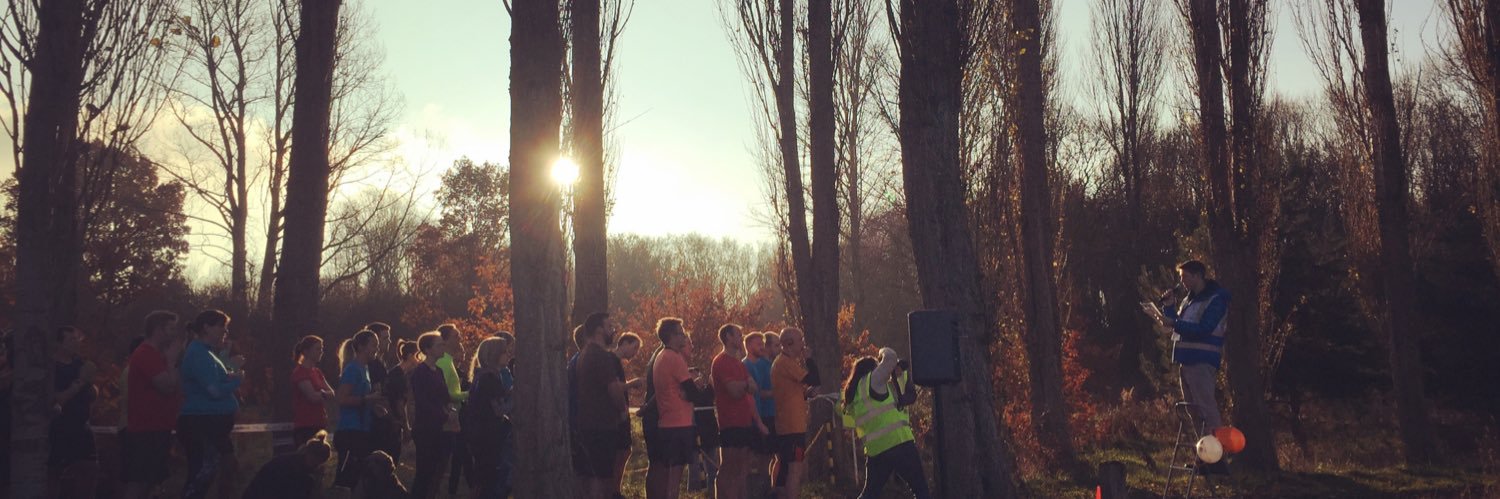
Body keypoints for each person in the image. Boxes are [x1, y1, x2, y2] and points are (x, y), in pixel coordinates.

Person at [1157, 260, 1230, 472]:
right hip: (1186, 359)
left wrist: (1175, 322)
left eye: (1185, 277)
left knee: (1207, 409)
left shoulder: (1216, 299)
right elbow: (1179, 327)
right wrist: (1169, 308)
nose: (1183, 283)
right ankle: (1206, 457)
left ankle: (1219, 460)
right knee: (1194, 411)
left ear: (1198, 275)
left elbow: (1204, 328)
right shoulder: (1189, 301)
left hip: (1202, 359)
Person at [842, 349, 929, 499]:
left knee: (870, 494)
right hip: (899, 443)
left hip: (876, 451)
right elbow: (890, 357)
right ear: (872, 369)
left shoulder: (855, 395)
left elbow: (901, 398)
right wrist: (881, 354)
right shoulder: (872, 380)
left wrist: (900, 373)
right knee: (920, 491)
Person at [178, 309, 244, 499]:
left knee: (226, 467)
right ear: (206, 327)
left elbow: (218, 381)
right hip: (201, 425)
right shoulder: (198, 353)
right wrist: (238, 380)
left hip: (214, 425)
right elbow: (214, 390)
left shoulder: (210, 354)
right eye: (221, 327)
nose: (225, 331)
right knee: (201, 474)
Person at [644, 318, 709, 499]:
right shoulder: (675, 358)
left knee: (669, 478)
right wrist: (706, 386)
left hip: (666, 424)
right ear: (672, 336)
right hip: (679, 424)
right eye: (681, 333)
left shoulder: (660, 357)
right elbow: (694, 395)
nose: (684, 336)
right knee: (674, 482)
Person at [122, 311, 183, 499]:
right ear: (158, 330)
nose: (175, 333)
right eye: (171, 328)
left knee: (151, 483)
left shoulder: (158, 355)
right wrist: (172, 362)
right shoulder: (145, 354)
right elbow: (167, 387)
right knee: (139, 481)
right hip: (144, 429)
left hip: (159, 427)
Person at [574, 313, 629, 499]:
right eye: (610, 327)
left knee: (590, 477)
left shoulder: (584, 355)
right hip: (602, 426)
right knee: (602, 478)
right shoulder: (601, 356)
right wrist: (623, 411)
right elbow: (613, 389)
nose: (613, 331)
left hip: (587, 425)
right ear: (599, 330)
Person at [712, 324, 768, 499]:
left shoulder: (738, 363)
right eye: (738, 334)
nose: (741, 337)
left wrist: (744, 385)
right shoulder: (721, 361)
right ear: (728, 336)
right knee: (729, 466)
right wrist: (745, 385)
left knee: (743, 467)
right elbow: (734, 391)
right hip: (730, 421)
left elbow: (754, 388)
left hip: (745, 421)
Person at [48, 326, 99, 498]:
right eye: (70, 339)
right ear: (59, 343)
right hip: (60, 428)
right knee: (53, 475)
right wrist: (79, 383)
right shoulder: (52, 367)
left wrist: (91, 385)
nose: (76, 343)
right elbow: (57, 400)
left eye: (76, 339)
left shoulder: (80, 363)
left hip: (81, 426)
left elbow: (92, 394)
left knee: (90, 469)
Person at [771, 327, 821, 499]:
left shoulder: (783, 363)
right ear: (790, 343)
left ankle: (779, 494)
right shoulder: (786, 363)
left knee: (785, 466)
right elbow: (814, 378)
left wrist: (805, 394)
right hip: (792, 427)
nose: (803, 345)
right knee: (795, 469)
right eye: (800, 340)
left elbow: (789, 392)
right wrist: (809, 360)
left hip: (789, 423)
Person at [466, 333, 517, 498]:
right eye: (505, 352)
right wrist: (517, 395)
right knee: (489, 480)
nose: (509, 355)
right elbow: (499, 410)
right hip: (488, 437)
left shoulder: (484, 376)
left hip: (480, 435)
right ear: (495, 355)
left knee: (483, 479)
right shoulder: (489, 378)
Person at [410, 331, 457, 498]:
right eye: (439, 345)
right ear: (427, 349)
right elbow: (423, 401)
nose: (443, 347)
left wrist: (450, 408)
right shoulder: (420, 372)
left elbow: (444, 397)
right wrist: (444, 415)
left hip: (439, 428)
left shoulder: (438, 371)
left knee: (437, 472)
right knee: (425, 472)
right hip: (425, 428)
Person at [334, 329, 383, 489]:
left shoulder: (366, 369)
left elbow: (363, 399)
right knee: (346, 479)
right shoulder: (353, 369)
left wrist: (374, 407)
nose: (377, 348)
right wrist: (366, 399)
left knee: (358, 479)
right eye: (373, 345)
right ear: (361, 347)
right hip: (350, 430)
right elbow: (341, 398)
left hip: (362, 430)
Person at [241, 430, 333, 499]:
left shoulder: (288, 462)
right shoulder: (297, 473)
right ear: (312, 457)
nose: (317, 467)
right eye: (317, 464)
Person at [435, 323, 471, 495]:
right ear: (446, 340)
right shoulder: (443, 362)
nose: (460, 339)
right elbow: (446, 394)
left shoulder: (448, 361)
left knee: (457, 458)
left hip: (454, 420)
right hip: (445, 422)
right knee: (437, 469)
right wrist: (471, 394)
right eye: (456, 336)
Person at [742, 331, 777, 494]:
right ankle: (750, 492)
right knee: (750, 457)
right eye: (758, 344)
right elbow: (758, 392)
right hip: (752, 416)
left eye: (762, 344)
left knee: (766, 454)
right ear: (748, 346)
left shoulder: (765, 364)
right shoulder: (744, 365)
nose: (761, 347)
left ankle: (765, 490)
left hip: (766, 415)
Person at [610, 331, 644, 495]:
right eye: (634, 347)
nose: (635, 353)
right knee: (621, 451)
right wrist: (633, 383)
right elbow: (615, 386)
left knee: (625, 450)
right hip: (617, 415)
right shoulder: (612, 361)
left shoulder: (616, 362)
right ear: (624, 343)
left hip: (620, 413)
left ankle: (616, 489)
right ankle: (614, 490)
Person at [365, 322, 403, 462]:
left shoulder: (380, 363)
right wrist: (393, 419)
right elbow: (380, 395)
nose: (390, 341)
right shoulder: (373, 365)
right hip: (378, 423)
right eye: (385, 338)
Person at [292, 335, 335, 444]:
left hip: (320, 423)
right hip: (306, 425)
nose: (321, 352)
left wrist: (322, 394)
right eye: (317, 349)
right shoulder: (300, 372)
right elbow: (312, 397)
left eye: (321, 349)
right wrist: (324, 394)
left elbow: (332, 393)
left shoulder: (317, 372)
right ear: (306, 351)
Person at [382, 339, 420, 464]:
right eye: (418, 355)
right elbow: (399, 404)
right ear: (410, 356)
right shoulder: (398, 376)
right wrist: (406, 427)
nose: (420, 359)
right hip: (392, 423)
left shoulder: (400, 373)